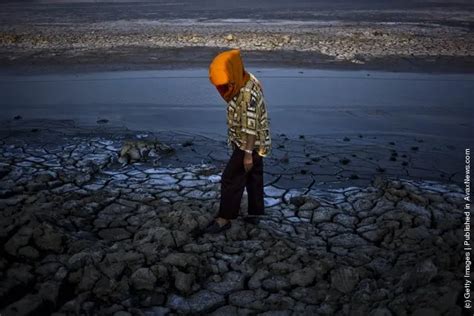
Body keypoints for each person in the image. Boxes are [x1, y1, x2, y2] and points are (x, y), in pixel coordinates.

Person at [203, 49, 272, 234]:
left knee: (230, 178)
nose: (222, 89)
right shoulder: (246, 77)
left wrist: (247, 154)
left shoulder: (247, 93)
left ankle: (225, 218)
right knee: (253, 175)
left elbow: (250, 127)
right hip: (259, 141)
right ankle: (255, 213)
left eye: (225, 84)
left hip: (249, 143)